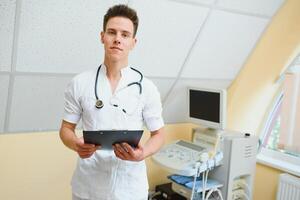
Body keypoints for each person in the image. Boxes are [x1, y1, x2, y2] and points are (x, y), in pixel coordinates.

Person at [59, 4, 165, 200]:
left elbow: (159, 134)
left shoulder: (147, 88)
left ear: (133, 42)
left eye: (125, 35)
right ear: (102, 37)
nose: (117, 39)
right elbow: (66, 129)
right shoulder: (80, 83)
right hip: (88, 188)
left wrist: (142, 154)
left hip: (129, 189)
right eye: (112, 32)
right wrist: (76, 144)